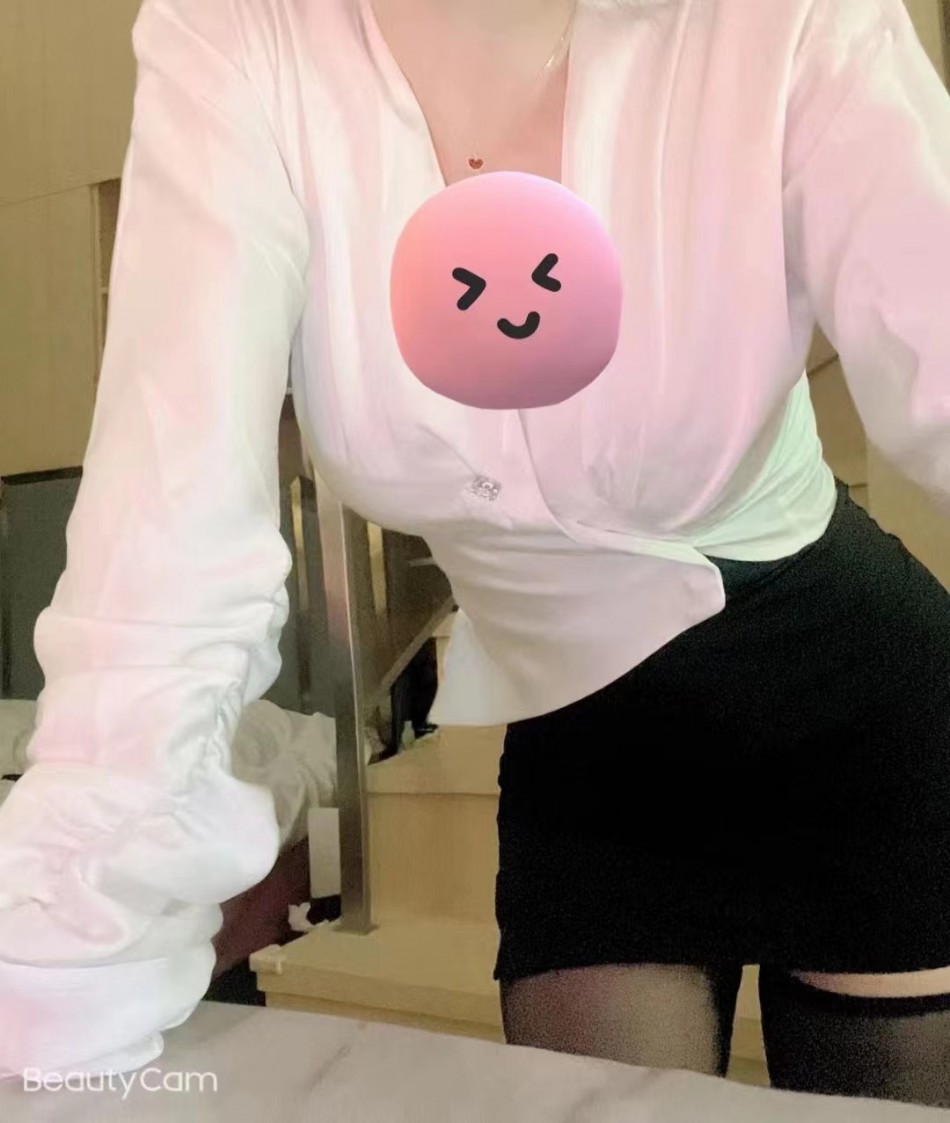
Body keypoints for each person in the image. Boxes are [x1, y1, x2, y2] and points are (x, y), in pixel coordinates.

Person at [1, 0, 950, 1105]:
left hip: (851, 715)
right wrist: (67, 935)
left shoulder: (784, 20)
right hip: (588, 755)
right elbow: (167, 516)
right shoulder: (240, 38)